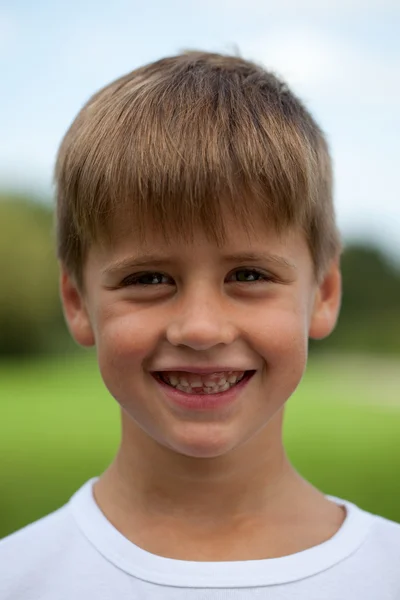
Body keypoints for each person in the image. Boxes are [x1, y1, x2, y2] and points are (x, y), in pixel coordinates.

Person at [1, 51, 399, 599]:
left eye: (249, 274)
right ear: (76, 301)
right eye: (147, 279)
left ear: (324, 294)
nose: (201, 328)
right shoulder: (18, 576)